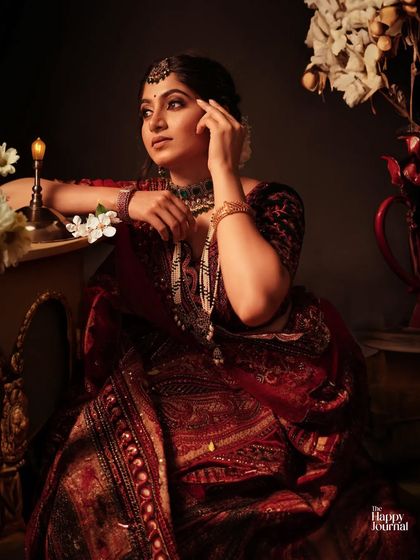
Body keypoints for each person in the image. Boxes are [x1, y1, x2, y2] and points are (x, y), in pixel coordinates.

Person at [3, 54, 418, 559]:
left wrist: (223, 169)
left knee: (300, 513)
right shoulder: (139, 202)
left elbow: (253, 305)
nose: (154, 122)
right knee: (98, 489)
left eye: (174, 104)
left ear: (216, 117)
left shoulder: (271, 201)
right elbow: (12, 196)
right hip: (159, 384)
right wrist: (126, 203)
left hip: (263, 386)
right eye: (145, 110)